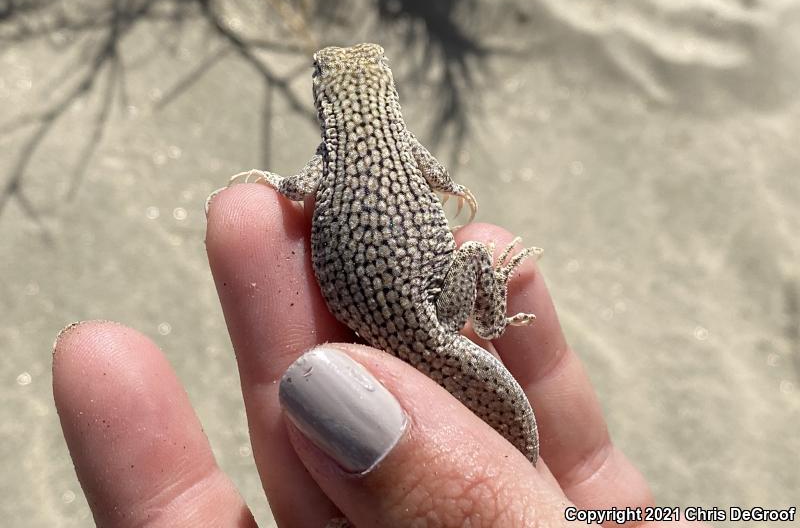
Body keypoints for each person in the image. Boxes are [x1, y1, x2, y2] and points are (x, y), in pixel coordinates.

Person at [53, 184, 701, 527]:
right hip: (430, 324)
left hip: (385, 338)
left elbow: (299, 188)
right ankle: (496, 315)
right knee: (477, 252)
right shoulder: (401, 156)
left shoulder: (326, 162)